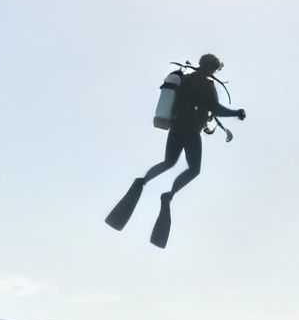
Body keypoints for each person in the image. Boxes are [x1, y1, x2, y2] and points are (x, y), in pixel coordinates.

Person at [105, 53, 246, 247]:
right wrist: (236, 113)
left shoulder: (185, 79)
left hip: (177, 127)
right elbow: (215, 108)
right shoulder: (206, 85)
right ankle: (167, 194)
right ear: (212, 68)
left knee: (169, 162)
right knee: (193, 169)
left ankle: (143, 182)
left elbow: (209, 107)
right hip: (189, 131)